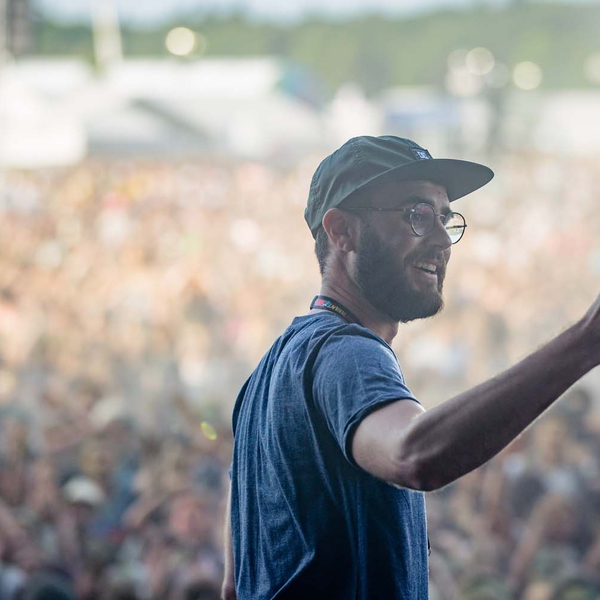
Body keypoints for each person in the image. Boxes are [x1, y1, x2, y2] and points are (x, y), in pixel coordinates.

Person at [222, 135, 600, 599]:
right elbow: (413, 455)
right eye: (416, 214)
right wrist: (585, 342)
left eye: (444, 218)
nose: (442, 239)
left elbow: (233, 584)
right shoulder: (346, 353)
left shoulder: (262, 379)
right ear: (342, 230)